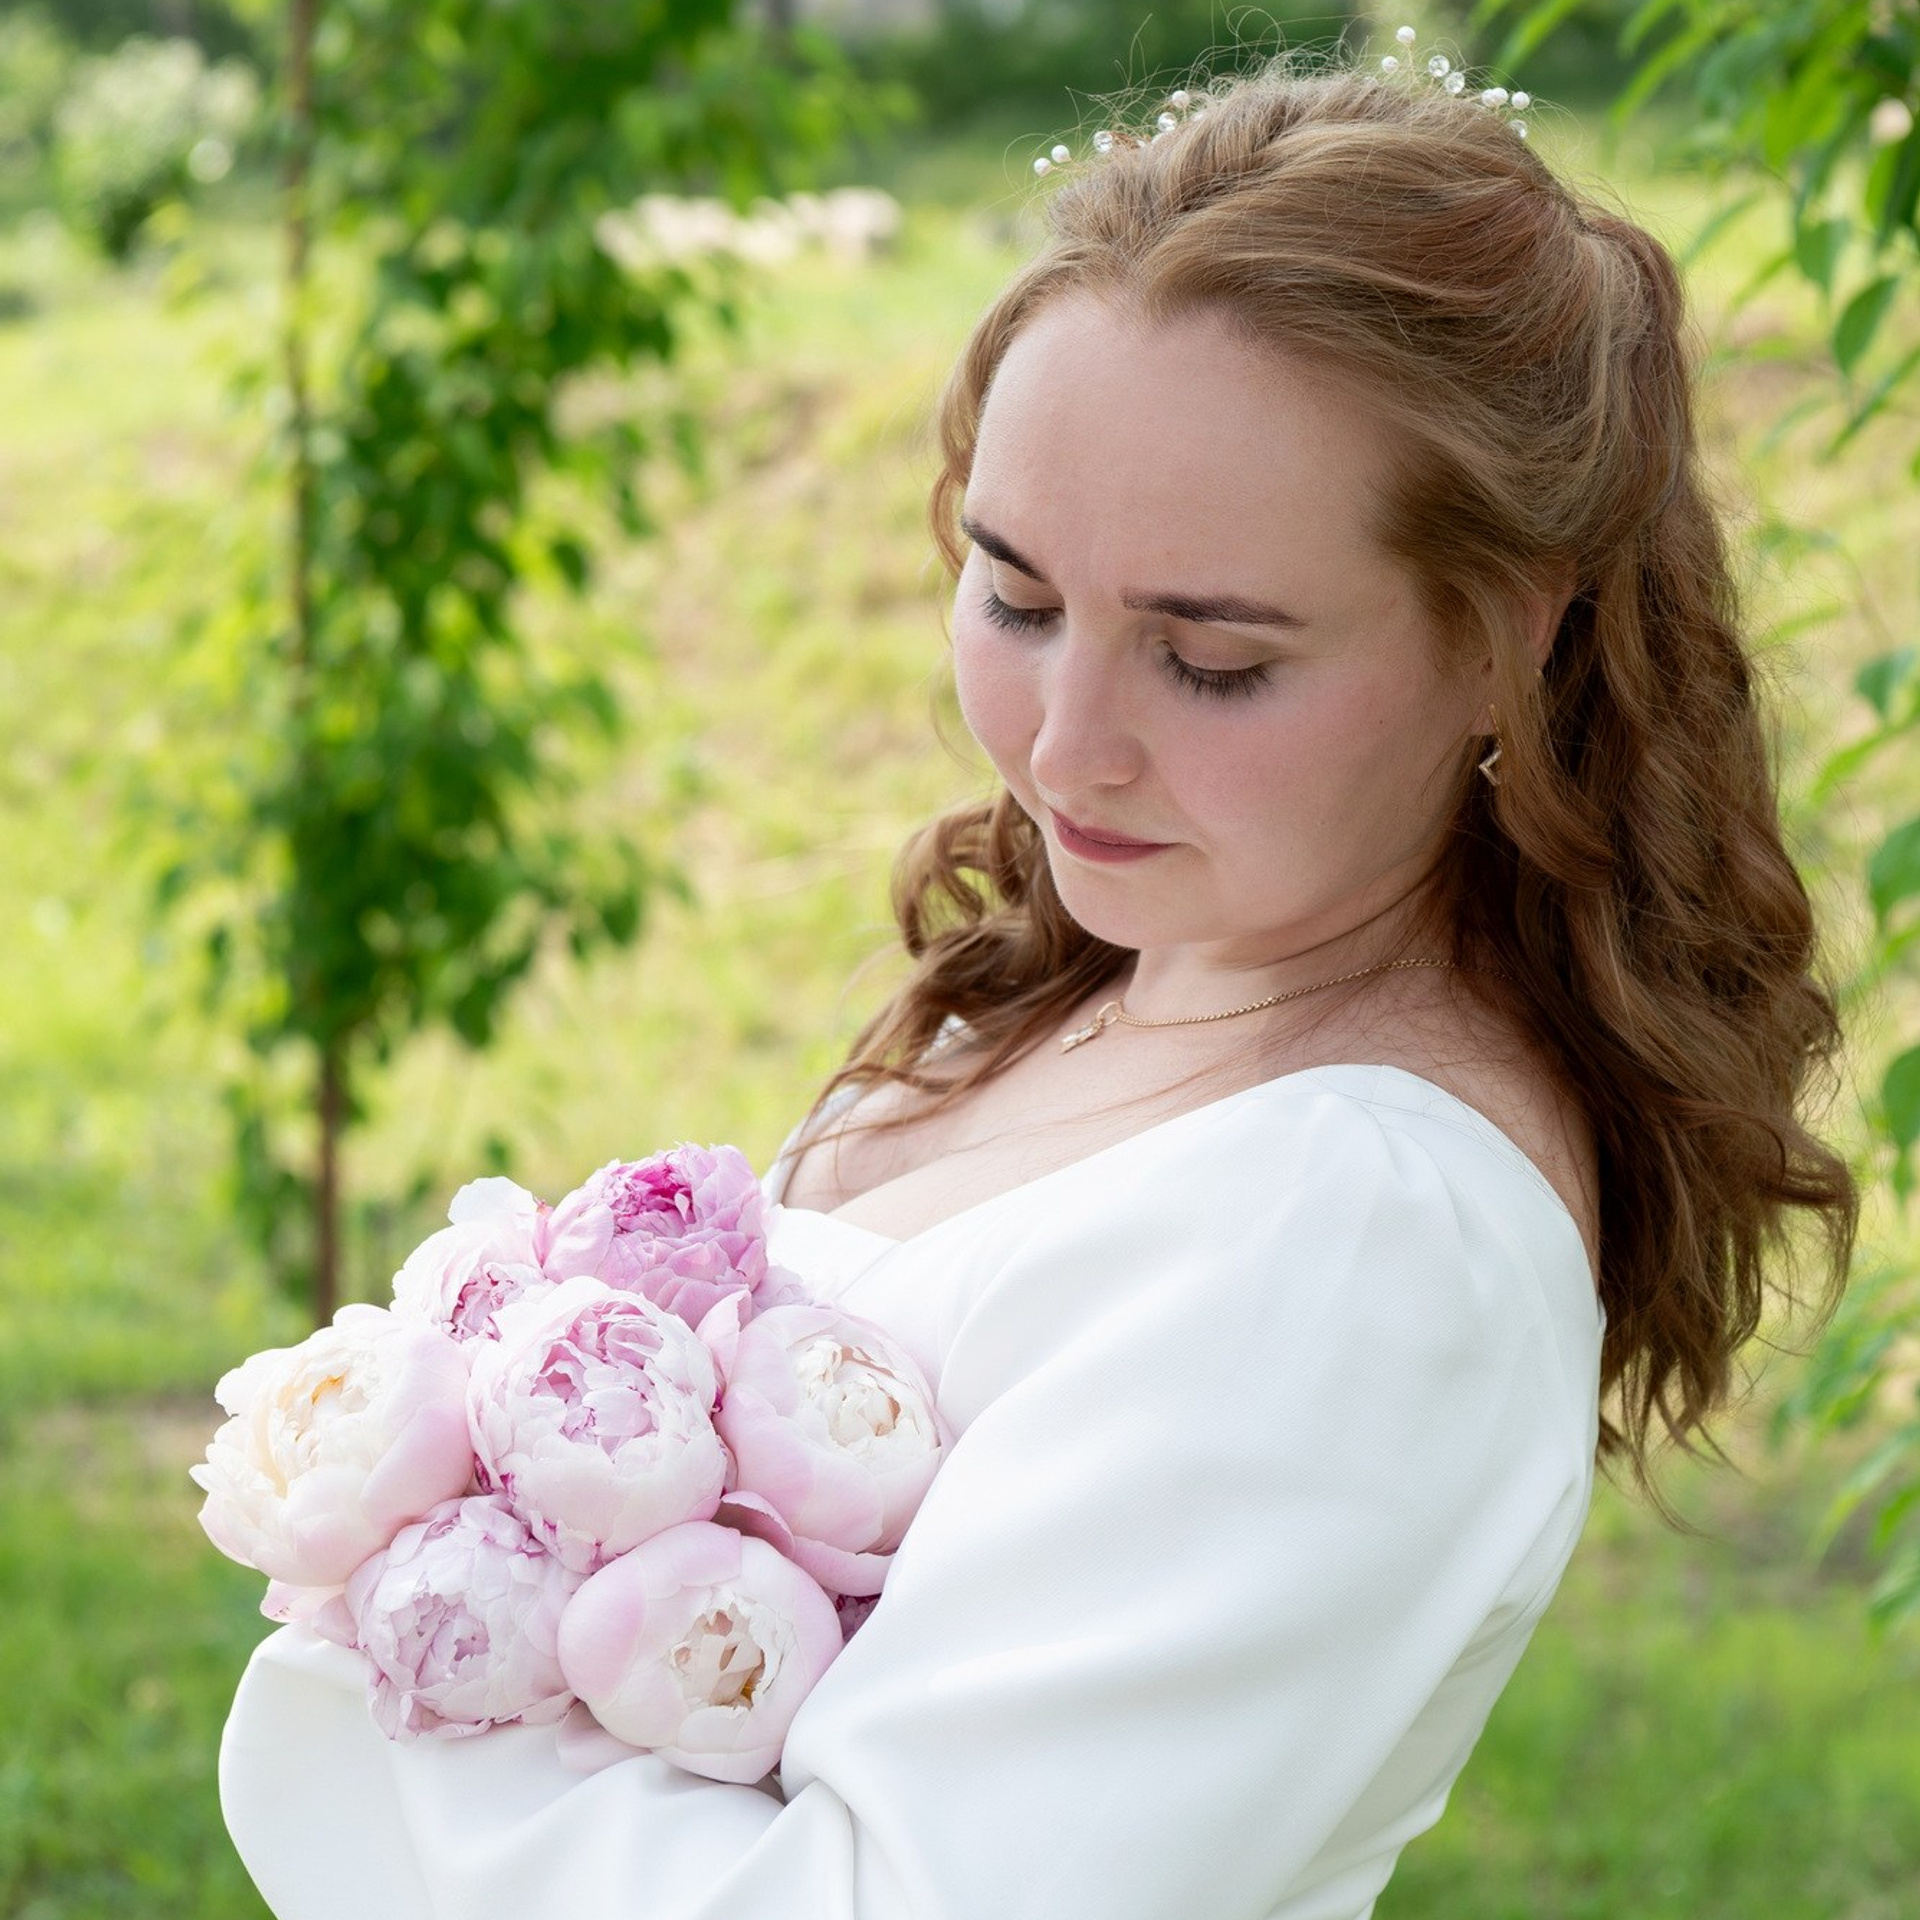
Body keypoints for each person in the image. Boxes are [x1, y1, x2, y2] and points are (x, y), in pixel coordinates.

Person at [217, 35, 1859, 1920]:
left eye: (1214, 659)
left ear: (1511, 635)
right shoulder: (1136, 980)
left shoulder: (1366, 1246)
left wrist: (398, 1627)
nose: (1064, 749)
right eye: (1014, 593)